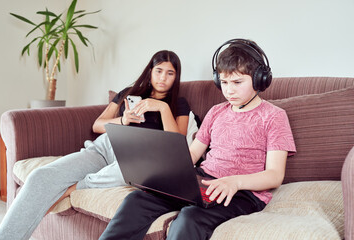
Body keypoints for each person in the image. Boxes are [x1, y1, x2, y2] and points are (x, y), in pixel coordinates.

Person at [99, 39, 297, 240]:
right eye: (224, 82)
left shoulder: (274, 116)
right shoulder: (216, 111)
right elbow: (193, 153)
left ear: (259, 80)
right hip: (202, 181)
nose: (229, 90)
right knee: (137, 199)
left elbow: (275, 175)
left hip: (242, 192)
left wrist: (234, 182)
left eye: (237, 82)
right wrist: (165, 174)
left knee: (190, 217)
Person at [0, 50, 190, 240]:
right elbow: (97, 125)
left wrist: (162, 108)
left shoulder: (178, 104)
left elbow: (177, 143)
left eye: (170, 73)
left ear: (176, 77)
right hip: (105, 148)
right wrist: (123, 120)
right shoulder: (128, 93)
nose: (163, 77)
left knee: (138, 171)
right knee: (40, 176)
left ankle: (75, 187)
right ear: (150, 72)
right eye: (159, 71)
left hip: (139, 157)